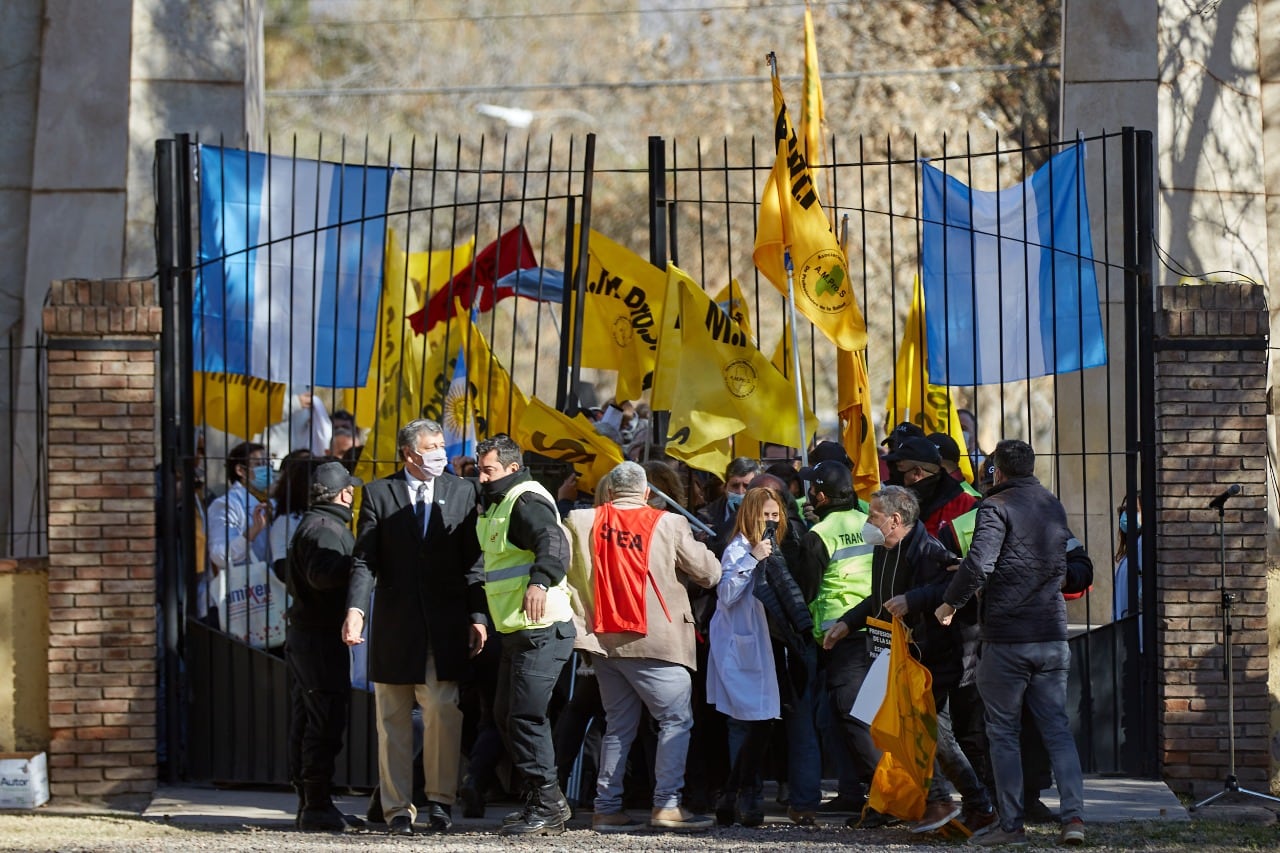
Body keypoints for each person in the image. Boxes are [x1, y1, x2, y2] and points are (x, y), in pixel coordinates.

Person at [934, 439, 1086, 847]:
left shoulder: (994, 507)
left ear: (996, 471)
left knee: (1002, 732)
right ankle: (1073, 819)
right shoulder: (1051, 504)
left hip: (1007, 638)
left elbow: (979, 563)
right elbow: (1069, 561)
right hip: (1052, 635)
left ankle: (1011, 825)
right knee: (1057, 728)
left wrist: (950, 603)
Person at [823, 486, 995, 835]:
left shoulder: (928, 550)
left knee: (933, 734)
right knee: (903, 728)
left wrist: (912, 599)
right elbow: (881, 596)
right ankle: (952, 803)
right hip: (898, 654)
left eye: (873, 516)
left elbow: (951, 586)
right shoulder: (885, 547)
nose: (868, 522)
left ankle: (957, 803)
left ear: (895, 520)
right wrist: (847, 622)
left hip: (934, 658)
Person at [342, 418, 485, 837]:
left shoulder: (462, 491)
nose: (441, 451)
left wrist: (477, 616)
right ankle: (397, 810)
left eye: (442, 444)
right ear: (409, 452)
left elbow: (472, 562)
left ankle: (440, 801)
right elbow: (365, 559)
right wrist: (355, 609)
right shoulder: (378, 493)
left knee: (442, 709)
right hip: (394, 624)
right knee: (392, 718)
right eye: (432, 446)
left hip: (444, 625)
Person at [563, 461, 722, 833]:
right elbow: (710, 574)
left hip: (604, 640)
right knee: (675, 720)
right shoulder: (668, 523)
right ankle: (666, 804)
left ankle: (607, 808)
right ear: (647, 492)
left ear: (609, 490)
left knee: (618, 726)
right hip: (657, 641)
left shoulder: (581, 521)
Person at [473, 434, 577, 837]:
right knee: (506, 715)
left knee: (526, 716)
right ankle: (545, 800)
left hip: (542, 628)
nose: (482, 477)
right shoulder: (500, 502)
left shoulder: (525, 499)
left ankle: (548, 804)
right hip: (518, 629)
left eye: (489, 470)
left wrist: (540, 580)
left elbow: (552, 541)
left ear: (513, 468)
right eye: (480, 469)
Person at [795, 459, 886, 828]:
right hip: (879, 627)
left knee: (853, 717)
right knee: (864, 716)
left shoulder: (819, 534)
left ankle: (890, 798)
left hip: (842, 638)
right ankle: (864, 795)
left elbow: (806, 591)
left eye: (809, 490)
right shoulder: (869, 517)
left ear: (819, 493)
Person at [285, 461, 366, 832]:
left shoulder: (314, 523)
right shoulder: (327, 529)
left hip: (307, 637)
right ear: (345, 494)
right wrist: (359, 564)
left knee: (310, 718)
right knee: (325, 721)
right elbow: (321, 574)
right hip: (318, 640)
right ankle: (316, 805)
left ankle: (312, 802)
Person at [706, 487, 782, 828]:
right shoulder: (738, 549)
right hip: (742, 647)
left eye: (775, 514)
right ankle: (742, 795)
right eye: (764, 515)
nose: (770, 521)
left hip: (767, 646)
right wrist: (752, 558)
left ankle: (738, 792)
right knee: (745, 723)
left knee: (761, 723)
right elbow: (726, 593)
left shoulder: (777, 547)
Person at [205, 441, 274, 637]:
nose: (266, 469)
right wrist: (252, 532)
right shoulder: (227, 504)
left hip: (268, 598)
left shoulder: (269, 500)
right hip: (240, 601)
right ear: (240, 471)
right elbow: (219, 554)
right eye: (259, 464)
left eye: (268, 463)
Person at [884, 435, 977, 536]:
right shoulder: (891, 503)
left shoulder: (965, 505)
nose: (895, 474)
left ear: (916, 473)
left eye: (899, 468)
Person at [696, 456, 762, 557]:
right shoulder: (706, 516)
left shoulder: (768, 514)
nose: (740, 492)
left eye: (746, 486)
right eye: (735, 486)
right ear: (725, 487)